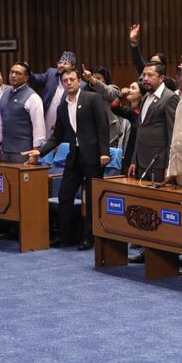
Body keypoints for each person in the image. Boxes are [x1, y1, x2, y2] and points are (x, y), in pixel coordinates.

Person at [23, 67, 110, 249]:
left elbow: (103, 126)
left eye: (72, 79)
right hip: (74, 156)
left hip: (93, 156)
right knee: (64, 195)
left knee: (92, 198)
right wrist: (40, 152)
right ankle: (65, 236)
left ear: (79, 81)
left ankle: (89, 237)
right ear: (62, 84)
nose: (69, 83)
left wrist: (104, 152)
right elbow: (56, 136)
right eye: (65, 81)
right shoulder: (62, 107)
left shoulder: (92, 98)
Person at [128, 62, 180, 184]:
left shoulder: (170, 98)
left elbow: (172, 134)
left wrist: (169, 165)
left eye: (150, 75)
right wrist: (134, 160)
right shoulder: (146, 97)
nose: (145, 78)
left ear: (161, 78)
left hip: (159, 164)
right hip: (141, 162)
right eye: (144, 75)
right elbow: (141, 130)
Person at [0, 62, 46, 164]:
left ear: (26, 78)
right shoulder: (3, 95)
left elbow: (39, 129)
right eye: (11, 72)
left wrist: (35, 153)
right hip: (5, 150)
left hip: (24, 152)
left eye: (18, 73)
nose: (13, 75)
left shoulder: (33, 98)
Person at [30, 51, 77, 140]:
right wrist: (27, 70)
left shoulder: (77, 82)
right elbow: (35, 79)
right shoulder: (51, 73)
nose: (61, 65)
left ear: (73, 66)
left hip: (67, 120)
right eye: (59, 63)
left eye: (65, 63)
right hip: (48, 117)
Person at [128, 23, 177, 90]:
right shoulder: (145, 74)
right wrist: (133, 40)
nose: (152, 65)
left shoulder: (169, 82)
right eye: (151, 62)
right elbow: (138, 59)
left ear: (163, 66)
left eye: (156, 63)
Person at [111, 80, 145, 174]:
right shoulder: (132, 112)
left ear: (140, 94)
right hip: (130, 154)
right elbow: (114, 107)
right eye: (129, 87)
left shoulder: (144, 112)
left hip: (142, 153)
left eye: (133, 88)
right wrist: (120, 96)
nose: (129, 90)